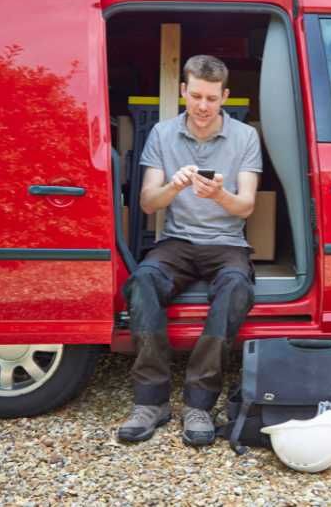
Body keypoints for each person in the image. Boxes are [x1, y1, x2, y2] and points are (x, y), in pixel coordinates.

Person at [117, 55, 262, 446]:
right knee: (143, 281)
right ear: (183, 91)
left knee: (236, 289)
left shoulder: (245, 137)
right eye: (195, 95)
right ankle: (151, 402)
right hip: (177, 242)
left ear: (225, 97)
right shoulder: (163, 134)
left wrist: (220, 194)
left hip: (227, 244)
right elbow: (149, 203)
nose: (202, 106)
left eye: (212, 98)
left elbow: (246, 206)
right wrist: (174, 188)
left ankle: (199, 402)